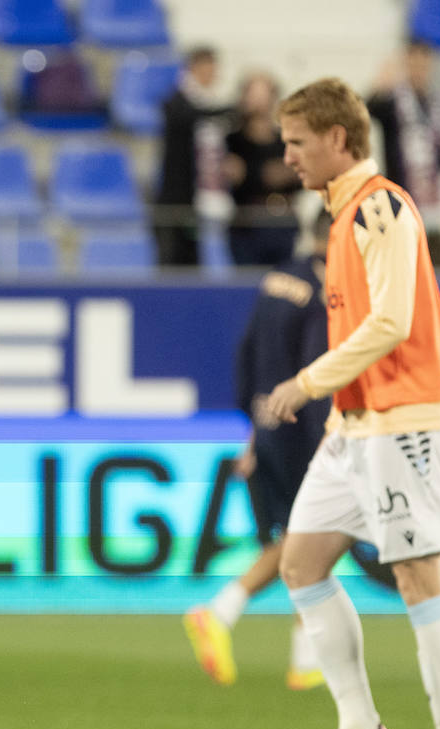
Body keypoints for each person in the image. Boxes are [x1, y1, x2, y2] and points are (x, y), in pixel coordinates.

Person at [264, 78, 440, 729]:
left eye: (296, 142)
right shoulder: (342, 211)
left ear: (337, 139)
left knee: (420, 580)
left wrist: (308, 381)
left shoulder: (380, 205)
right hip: (356, 425)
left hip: (404, 420)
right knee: (302, 563)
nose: (288, 156)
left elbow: (390, 322)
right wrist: (335, 405)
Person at [184, 213, 331, 689]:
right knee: (313, 537)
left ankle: (303, 659)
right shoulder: (321, 292)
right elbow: (315, 372)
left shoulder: (277, 279)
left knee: (292, 539)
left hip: (267, 423)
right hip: (301, 427)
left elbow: (247, 354)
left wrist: (253, 427)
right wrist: (327, 436)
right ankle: (223, 613)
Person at [366, 40, 440, 266]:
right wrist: (378, 88)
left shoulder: (438, 104)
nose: (419, 70)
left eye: (424, 64)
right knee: (399, 264)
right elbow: (368, 111)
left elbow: (437, 157)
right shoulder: (393, 101)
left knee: (437, 266)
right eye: (414, 64)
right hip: (399, 198)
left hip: (431, 202)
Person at [153, 47, 232, 266]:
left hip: (197, 200)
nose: (212, 75)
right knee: (173, 259)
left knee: (192, 258)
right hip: (177, 199)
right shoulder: (177, 102)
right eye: (208, 68)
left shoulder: (206, 106)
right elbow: (189, 115)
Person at [223, 72, 303, 266]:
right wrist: (262, 174)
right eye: (253, 94)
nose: (259, 102)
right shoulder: (232, 140)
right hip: (246, 225)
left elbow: (301, 176)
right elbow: (236, 176)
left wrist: (285, 174)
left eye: (264, 94)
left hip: (282, 222)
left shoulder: (286, 140)